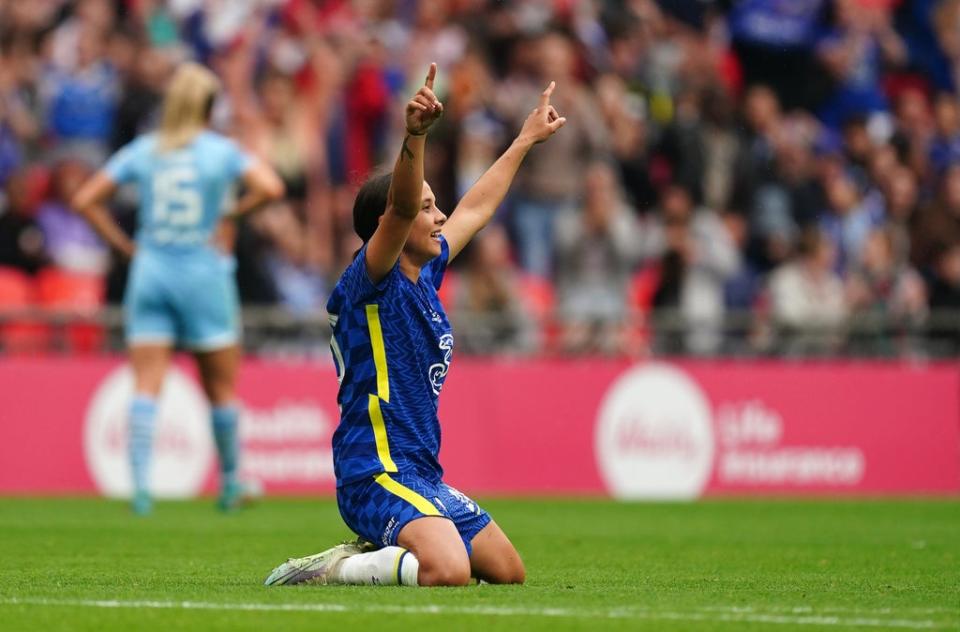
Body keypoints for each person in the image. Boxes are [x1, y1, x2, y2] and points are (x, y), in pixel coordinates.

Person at [264, 64, 565, 587]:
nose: (440, 214)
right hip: (374, 472)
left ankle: (388, 546)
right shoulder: (369, 280)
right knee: (447, 569)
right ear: (392, 226)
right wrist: (415, 135)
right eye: (428, 208)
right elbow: (402, 204)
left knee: (507, 571)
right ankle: (335, 569)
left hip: (420, 473)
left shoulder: (425, 272)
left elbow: (476, 208)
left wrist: (524, 140)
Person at [71, 63, 284, 514]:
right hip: (204, 274)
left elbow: (85, 199)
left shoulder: (145, 150)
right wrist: (230, 216)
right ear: (209, 106)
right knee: (221, 387)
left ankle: (142, 489)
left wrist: (125, 247)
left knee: (146, 384)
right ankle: (230, 484)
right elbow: (271, 186)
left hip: (150, 273)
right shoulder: (221, 151)